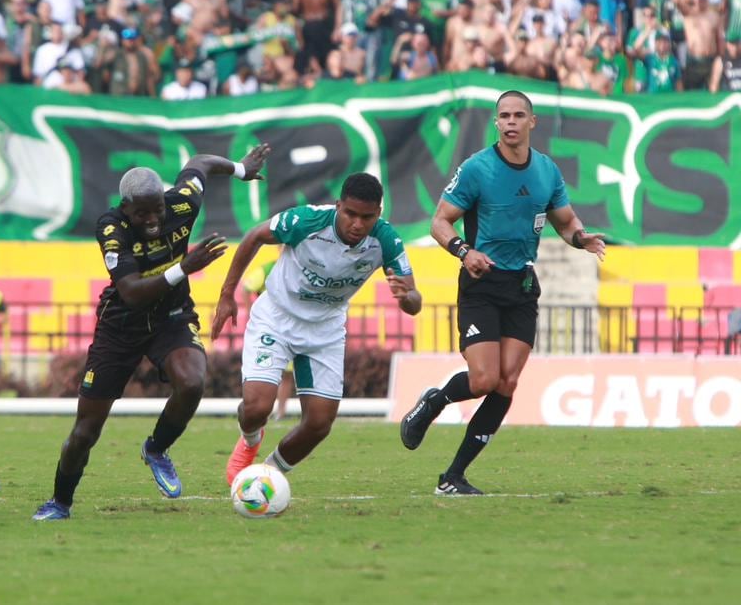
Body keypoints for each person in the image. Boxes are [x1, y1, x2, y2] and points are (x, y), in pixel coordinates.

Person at [32, 145, 271, 521]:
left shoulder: (182, 203)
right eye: (142, 213)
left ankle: (157, 449)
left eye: (157, 209)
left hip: (170, 317)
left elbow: (200, 163)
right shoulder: (111, 228)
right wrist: (184, 268)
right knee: (86, 431)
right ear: (125, 207)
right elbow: (130, 291)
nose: (154, 219)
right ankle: (60, 502)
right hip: (121, 326)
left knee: (192, 382)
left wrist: (240, 169)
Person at [399, 90, 605, 495]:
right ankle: (434, 401)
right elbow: (439, 222)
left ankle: (453, 477)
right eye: (504, 116)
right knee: (483, 379)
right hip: (482, 283)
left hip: (522, 285)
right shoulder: (477, 168)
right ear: (496, 122)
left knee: (507, 383)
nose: (510, 122)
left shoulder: (546, 171)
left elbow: (565, 222)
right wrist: (464, 251)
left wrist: (581, 239)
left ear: (532, 122)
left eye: (518, 115)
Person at [211, 173, 420, 485]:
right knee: (256, 408)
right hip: (277, 318)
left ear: (378, 213)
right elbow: (255, 236)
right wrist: (227, 294)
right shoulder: (307, 221)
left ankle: (266, 478)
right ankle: (250, 441)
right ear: (338, 206)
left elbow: (414, 302)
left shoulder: (386, 239)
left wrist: (407, 297)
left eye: (367, 217)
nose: (357, 224)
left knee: (319, 423)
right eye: (350, 214)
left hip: (325, 330)